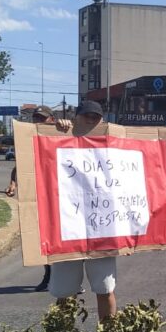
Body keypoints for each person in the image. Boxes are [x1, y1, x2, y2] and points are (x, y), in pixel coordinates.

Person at [50, 100, 117, 319]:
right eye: (87, 115)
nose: (91, 119)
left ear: (102, 120)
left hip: (101, 229)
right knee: (64, 292)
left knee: (105, 290)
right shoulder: (62, 135)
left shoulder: (111, 142)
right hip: (67, 228)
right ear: (76, 116)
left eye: (96, 116)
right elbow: (42, 153)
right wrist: (59, 130)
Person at [6, 105, 57, 292]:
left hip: (61, 197)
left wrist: (64, 125)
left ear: (51, 119)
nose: (38, 122)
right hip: (39, 197)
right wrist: (13, 184)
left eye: (42, 118)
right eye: (36, 118)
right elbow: (19, 165)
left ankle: (71, 279)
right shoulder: (29, 140)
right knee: (42, 239)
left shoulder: (61, 134)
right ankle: (48, 275)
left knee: (63, 240)